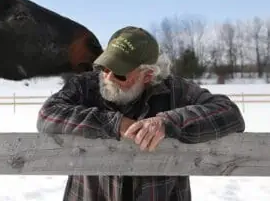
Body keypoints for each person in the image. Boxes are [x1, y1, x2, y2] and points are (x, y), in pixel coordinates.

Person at [36, 26, 245, 201]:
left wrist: (167, 122)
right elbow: (48, 114)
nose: (107, 77)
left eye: (119, 72)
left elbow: (229, 112)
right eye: (104, 67)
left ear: (148, 74)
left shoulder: (174, 91)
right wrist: (114, 123)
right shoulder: (86, 85)